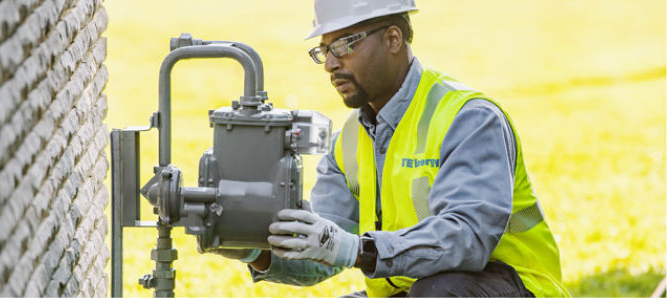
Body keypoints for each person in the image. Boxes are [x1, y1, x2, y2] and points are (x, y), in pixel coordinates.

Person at [213, 0, 570, 296]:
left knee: (439, 292)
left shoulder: (468, 119)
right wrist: (251, 249)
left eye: (344, 45)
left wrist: (357, 249)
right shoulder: (349, 141)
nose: (332, 63)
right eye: (324, 51)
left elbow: (468, 240)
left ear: (393, 39)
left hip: (512, 285)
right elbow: (326, 246)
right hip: (416, 289)